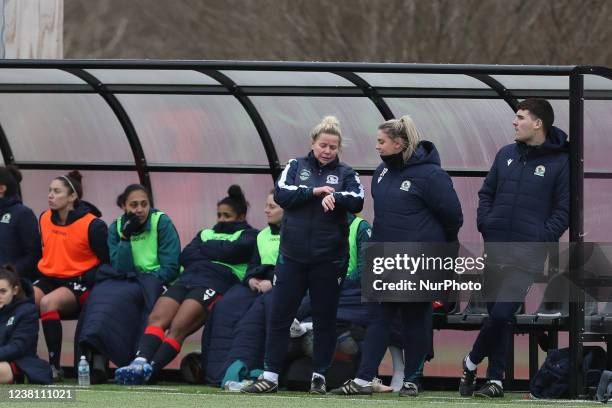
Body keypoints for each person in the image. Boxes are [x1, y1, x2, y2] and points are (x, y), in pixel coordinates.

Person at [331, 115, 463, 397]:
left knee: (416, 319)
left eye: (381, 141)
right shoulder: (381, 172)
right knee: (379, 318)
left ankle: (413, 379)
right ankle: (365, 378)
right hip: (386, 255)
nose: (376, 146)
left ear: (399, 143)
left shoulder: (432, 175)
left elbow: (453, 217)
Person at [242, 115, 364, 394]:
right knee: (280, 315)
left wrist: (337, 197)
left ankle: (319, 376)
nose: (327, 151)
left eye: (333, 147)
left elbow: (358, 200)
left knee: (324, 318)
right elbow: (282, 194)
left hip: (329, 259)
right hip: (292, 257)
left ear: (338, 149)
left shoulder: (346, 173)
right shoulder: (295, 167)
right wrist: (314, 192)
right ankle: (270, 376)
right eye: (323, 145)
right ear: (313, 143)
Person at [459, 98, 569, 398]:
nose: (514, 122)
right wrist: (487, 224)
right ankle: (494, 380)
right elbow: (487, 193)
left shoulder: (560, 162)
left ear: (538, 123)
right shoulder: (505, 154)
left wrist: (540, 237)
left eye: (520, 117)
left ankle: (470, 362)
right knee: (500, 318)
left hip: (527, 255)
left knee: (500, 314)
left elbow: (563, 211)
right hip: (495, 249)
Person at [115, 185, 258, 385]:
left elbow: (238, 250)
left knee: (178, 326)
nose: (222, 220)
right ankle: (139, 363)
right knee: (157, 318)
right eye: (219, 215)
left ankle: (151, 370)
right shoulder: (205, 233)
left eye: (227, 216)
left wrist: (207, 250)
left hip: (216, 282)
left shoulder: (251, 235)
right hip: (187, 279)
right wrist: (221, 250)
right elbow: (187, 255)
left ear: (241, 217)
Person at [76, 183, 181, 383]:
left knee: (131, 300)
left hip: (156, 279)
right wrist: (125, 237)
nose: (139, 209)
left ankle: (139, 360)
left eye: (144, 204)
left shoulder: (162, 222)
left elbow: (171, 266)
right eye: (134, 205)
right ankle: (97, 359)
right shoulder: (116, 227)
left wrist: (149, 279)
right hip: (126, 278)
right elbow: (120, 267)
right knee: (99, 297)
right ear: (124, 206)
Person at [200, 189, 282, 385]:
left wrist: (275, 282)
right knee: (224, 307)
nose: (266, 211)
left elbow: (297, 267)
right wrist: (251, 280)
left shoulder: (298, 235)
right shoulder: (261, 236)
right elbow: (252, 266)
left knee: (253, 317)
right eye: (266, 206)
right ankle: (216, 374)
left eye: (272, 206)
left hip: (280, 286)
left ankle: (245, 370)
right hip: (256, 285)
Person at [34, 170, 108, 381]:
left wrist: (88, 278)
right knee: (24, 299)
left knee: (48, 303)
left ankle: (54, 366)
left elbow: (106, 263)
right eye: (49, 190)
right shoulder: (44, 218)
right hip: (49, 277)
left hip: (78, 281)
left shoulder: (93, 225)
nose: (50, 195)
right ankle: (24, 361)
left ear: (73, 196)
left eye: (57, 191)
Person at [0, 264, 52, 384]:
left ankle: (19, 378)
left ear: (15, 290)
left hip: (21, 363)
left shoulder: (27, 311)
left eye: (3, 291)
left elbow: (18, 347)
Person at [0, 165, 41, 280]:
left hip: (12, 283)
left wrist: (9, 272)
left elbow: (34, 254)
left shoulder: (23, 213)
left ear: (2, 188)